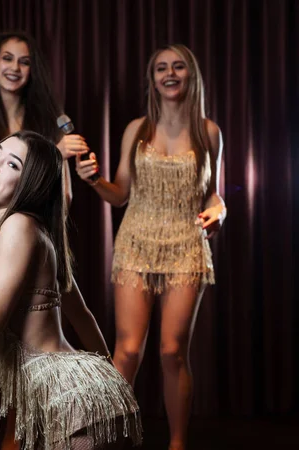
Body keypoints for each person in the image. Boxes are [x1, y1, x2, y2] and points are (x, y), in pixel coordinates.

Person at [0, 130, 142, 450]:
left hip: (70, 399)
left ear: (30, 185)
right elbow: (82, 315)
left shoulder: (19, 226)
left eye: (13, 165)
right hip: (58, 396)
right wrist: (113, 382)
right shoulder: (29, 231)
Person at [75, 44, 226, 450]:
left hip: (185, 245)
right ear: (153, 79)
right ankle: (110, 440)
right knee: (126, 351)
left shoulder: (209, 131)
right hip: (136, 243)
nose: (170, 73)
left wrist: (220, 212)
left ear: (191, 75)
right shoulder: (136, 130)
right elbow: (119, 194)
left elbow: (213, 195)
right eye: (162, 68)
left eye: (178, 66)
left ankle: (177, 443)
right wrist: (92, 180)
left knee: (172, 351)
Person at [0, 30, 90, 206]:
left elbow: (63, 193)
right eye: (7, 58)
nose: (15, 67)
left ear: (32, 70)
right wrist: (55, 154)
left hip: (41, 216)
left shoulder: (48, 116)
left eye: (24, 62)